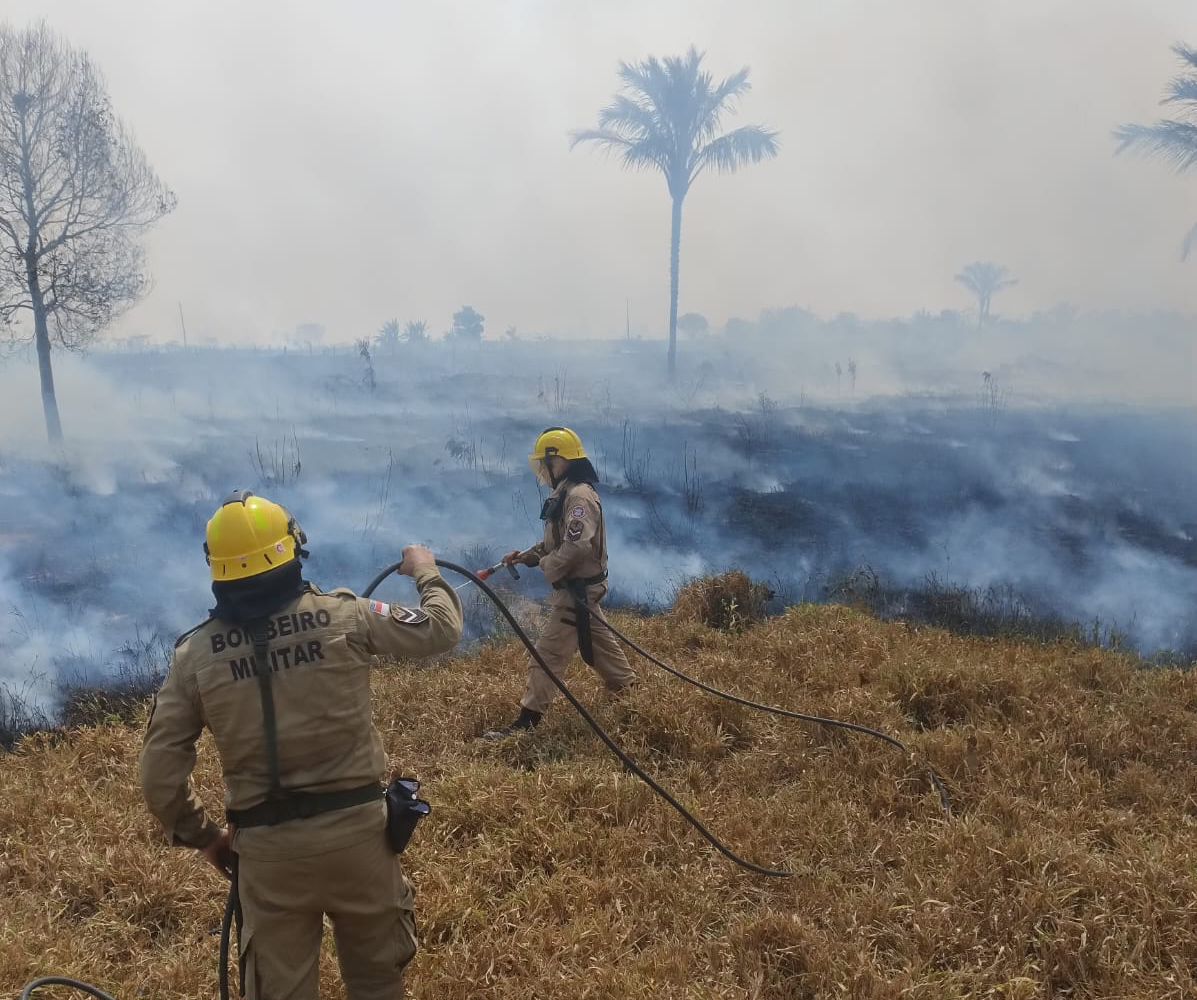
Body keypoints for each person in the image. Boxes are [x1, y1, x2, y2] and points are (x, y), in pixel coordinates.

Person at [139, 490, 462, 1000]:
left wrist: (203, 836)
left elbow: (158, 775)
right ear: (292, 550)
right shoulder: (346, 615)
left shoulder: (195, 655)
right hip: (361, 842)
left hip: (268, 857)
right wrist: (425, 570)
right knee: (379, 983)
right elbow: (442, 629)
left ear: (217, 569)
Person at [484, 427, 637, 738]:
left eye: (547, 463)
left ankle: (526, 724)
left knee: (547, 654)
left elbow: (576, 546)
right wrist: (527, 556)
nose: (544, 470)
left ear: (562, 461)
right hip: (578, 590)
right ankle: (631, 692)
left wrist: (545, 565)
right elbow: (559, 539)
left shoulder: (579, 497)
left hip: (577, 591)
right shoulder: (566, 492)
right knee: (597, 644)